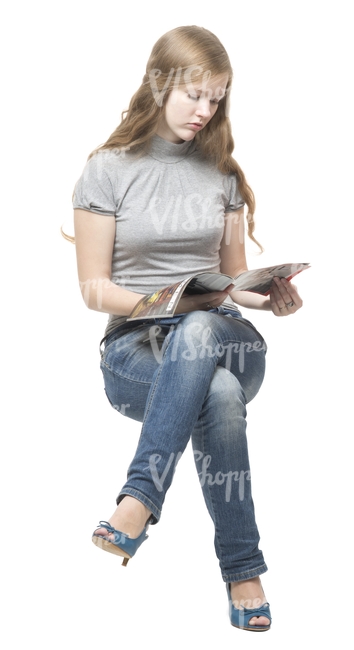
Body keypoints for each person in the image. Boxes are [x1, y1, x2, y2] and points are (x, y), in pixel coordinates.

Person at [71, 25, 303, 631]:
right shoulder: (107, 170)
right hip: (135, 352)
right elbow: (95, 289)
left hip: (223, 337)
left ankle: (138, 501)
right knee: (217, 394)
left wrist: (267, 294)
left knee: (204, 329)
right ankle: (244, 569)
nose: (206, 111)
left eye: (217, 98)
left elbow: (232, 282)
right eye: (195, 95)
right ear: (158, 83)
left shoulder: (222, 174)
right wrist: (169, 303)